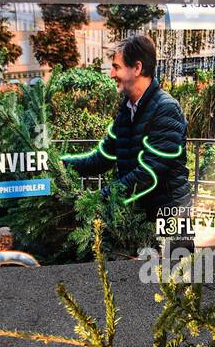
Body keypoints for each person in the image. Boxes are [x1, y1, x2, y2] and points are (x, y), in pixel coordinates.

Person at [62, 33, 191, 223]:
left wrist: (99, 198)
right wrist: (62, 165)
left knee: (171, 255)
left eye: (116, 67)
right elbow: (103, 158)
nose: (112, 74)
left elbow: (149, 173)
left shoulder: (166, 109)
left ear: (137, 68)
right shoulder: (126, 110)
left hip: (169, 215)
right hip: (138, 214)